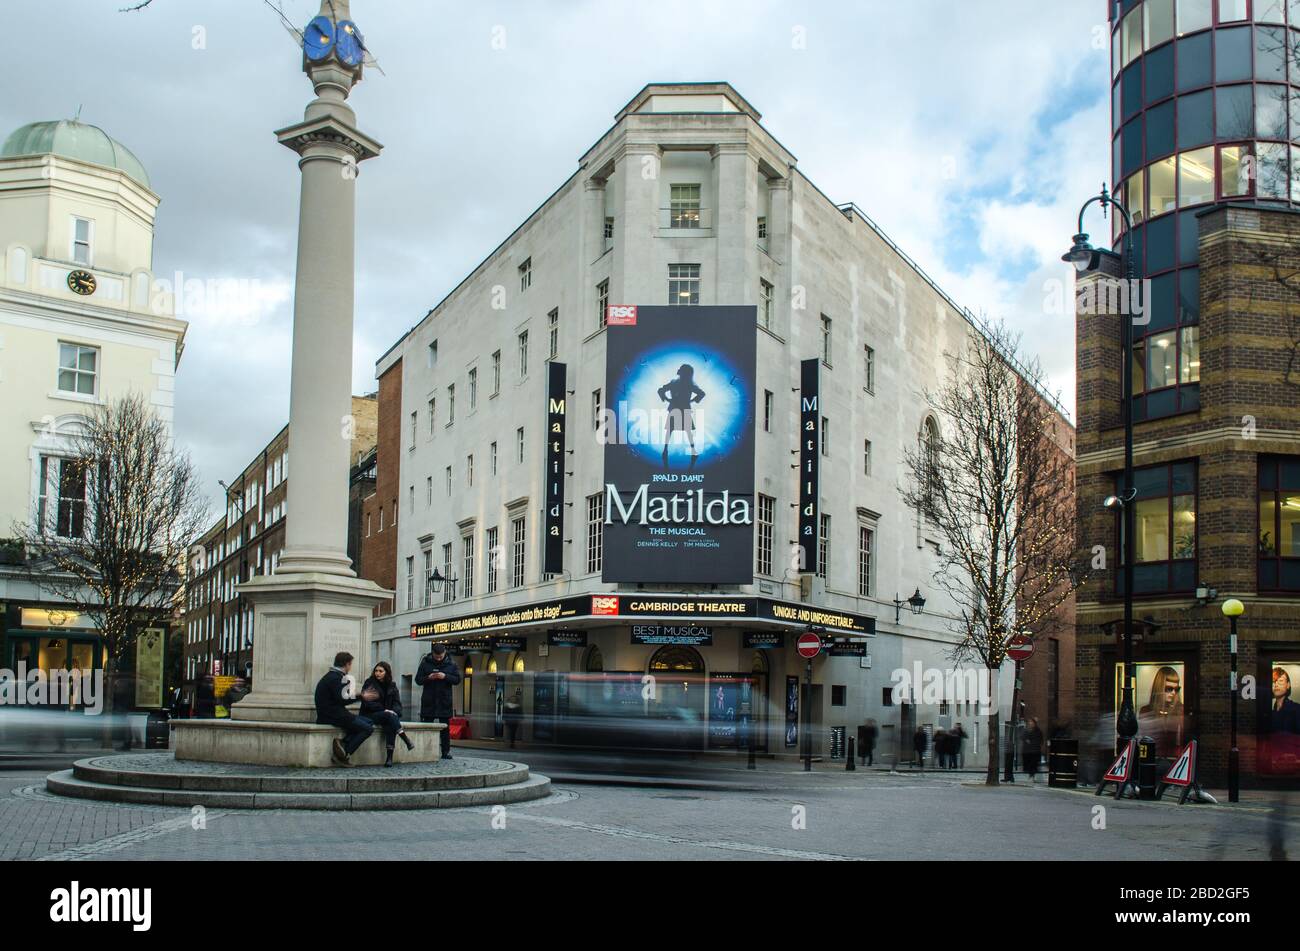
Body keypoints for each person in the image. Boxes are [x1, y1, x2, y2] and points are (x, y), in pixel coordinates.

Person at [314, 651, 376, 767]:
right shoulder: (337, 678)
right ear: (347, 664)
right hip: (334, 715)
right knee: (367, 729)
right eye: (350, 664)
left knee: (369, 721)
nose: (350, 667)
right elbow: (343, 699)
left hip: (333, 713)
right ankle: (344, 754)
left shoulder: (331, 676)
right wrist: (361, 696)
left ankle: (343, 743)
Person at [359, 660, 414, 767]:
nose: (377, 673)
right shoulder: (369, 683)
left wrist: (394, 711)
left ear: (386, 673)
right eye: (376, 671)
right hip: (370, 714)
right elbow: (367, 702)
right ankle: (405, 738)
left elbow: (397, 703)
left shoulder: (392, 685)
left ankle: (389, 758)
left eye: (381, 671)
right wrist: (384, 710)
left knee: (390, 723)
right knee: (390, 717)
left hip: (387, 716)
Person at [416, 643, 462, 760]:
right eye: (436, 657)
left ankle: (445, 752)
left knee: (445, 729)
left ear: (444, 653)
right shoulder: (425, 663)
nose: (439, 659)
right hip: (429, 700)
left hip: (444, 700)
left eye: (441, 657)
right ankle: (425, 751)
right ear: (432, 654)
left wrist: (445, 676)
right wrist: (428, 678)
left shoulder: (451, 664)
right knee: (427, 727)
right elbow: (418, 680)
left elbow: (457, 680)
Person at [657, 363, 706, 466]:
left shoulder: (675, 383)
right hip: (683, 408)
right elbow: (701, 394)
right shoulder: (688, 384)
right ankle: (692, 451)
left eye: (680, 369)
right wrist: (692, 401)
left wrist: (666, 399)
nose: (678, 370)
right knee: (686, 431)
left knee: (671, 430)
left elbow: (661, 390)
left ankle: (665, 450)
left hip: (676, 408)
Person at [1271, 668, 1300, 735]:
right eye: (1273, 681)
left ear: (1288, 685)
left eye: (1280, 681)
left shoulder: (1297, 709)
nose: (1276, 684)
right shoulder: (1269, 712)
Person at [1022, 716, 1044, 783]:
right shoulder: (1026, 730)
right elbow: (1022, 737)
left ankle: (1032, 776)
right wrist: (1026, 740)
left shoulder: (1038, 731)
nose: (1030, 723)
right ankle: (1031, 775)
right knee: (1029, 763)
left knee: (1033, 763)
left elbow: (1040, 740)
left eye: (1032, 722)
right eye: (1029, 722)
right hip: (1028, 750)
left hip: (1034, 750)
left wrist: (1037, 744)